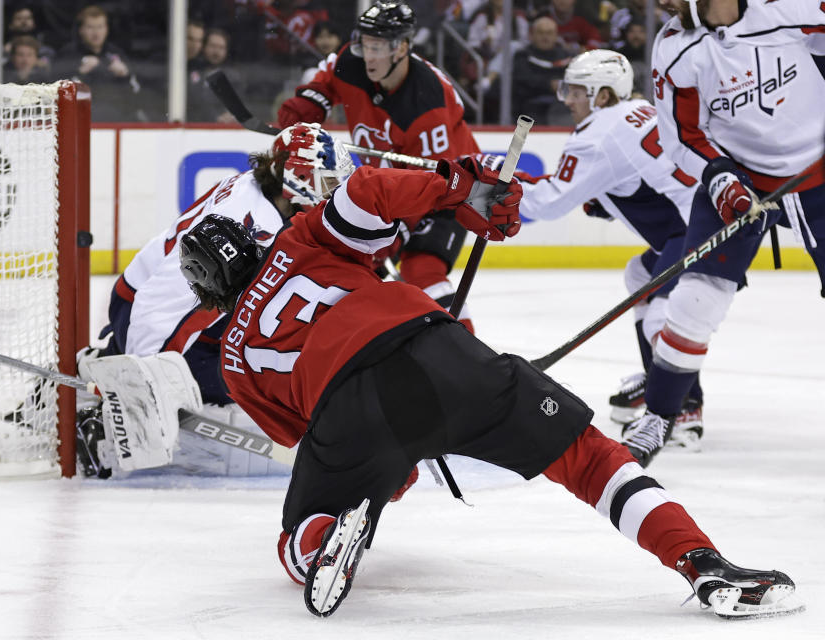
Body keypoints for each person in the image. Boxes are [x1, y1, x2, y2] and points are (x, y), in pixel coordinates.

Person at [177, 157, 802, 620]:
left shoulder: (235, 358)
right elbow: (368, 193)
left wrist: (386, 477)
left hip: (346, 408)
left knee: (298, 531)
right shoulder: (298, 240)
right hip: (435, 346)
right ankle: (701, 562)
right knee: (587, 457)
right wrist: (458, 191)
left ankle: (323, 539)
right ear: (255, 241)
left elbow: (310, 434)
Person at [75, 123, 356, 480]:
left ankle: (104, 357)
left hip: (139, 300)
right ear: (297, 179)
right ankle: (103, 421)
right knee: (253, 378)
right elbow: (165, 297)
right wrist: (140, 381)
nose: (335, 193)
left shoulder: (258, 191)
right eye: (329, 183)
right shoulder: (251, 221)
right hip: (144, 313)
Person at [619, 0, 825, 466]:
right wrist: (720, 179)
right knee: (693, 300)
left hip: (819, 172)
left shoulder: (786, 10)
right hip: (739, 177)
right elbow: (681, 137)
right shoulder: (674, 49)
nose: (662, 4)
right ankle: (659, 415)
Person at [511, 49, 704, 448]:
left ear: (601, 95)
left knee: (662, 319)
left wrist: (502, 194)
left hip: (699, 228)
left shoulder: (595, 134)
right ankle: (661, 379)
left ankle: (680, 407)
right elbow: (635, 177)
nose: (567, 99)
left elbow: (548, 203)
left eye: (577, 91)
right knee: (639, 274)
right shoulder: (637, 110)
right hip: (701, 218)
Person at [277, 1, 483, 332]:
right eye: (365, 44)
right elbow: (327, 75)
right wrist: (312, 98)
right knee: (347, 268)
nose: (368, 55)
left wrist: (398, 230)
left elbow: (433, 182)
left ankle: (473, 360)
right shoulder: (353, 60)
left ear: (401, 47)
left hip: (448, 191)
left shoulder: (426, 104)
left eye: (378, 47)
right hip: (390, 189)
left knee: (421, 272)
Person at [55, 5, 142, 121]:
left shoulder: (116, 53)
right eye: (90, 27)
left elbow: (137, 94)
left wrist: (125, 75)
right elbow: (56, 93)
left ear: (106, 29)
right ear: (81, 30)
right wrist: (79, 72)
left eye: (100, 27)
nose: (96, 33)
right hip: (79, 120)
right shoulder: (68, 54)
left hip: (116, 119)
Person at [510, 15, 572, 125]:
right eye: (540, 32)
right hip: (529, 109)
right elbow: (524, 80)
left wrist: (559, 86)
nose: (545, 37)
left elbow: (573, 82)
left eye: (549, 33)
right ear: (532, 35)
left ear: (556, 35)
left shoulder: (567, 56)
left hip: (562, 108)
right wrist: (550, 84)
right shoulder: (522, 56)